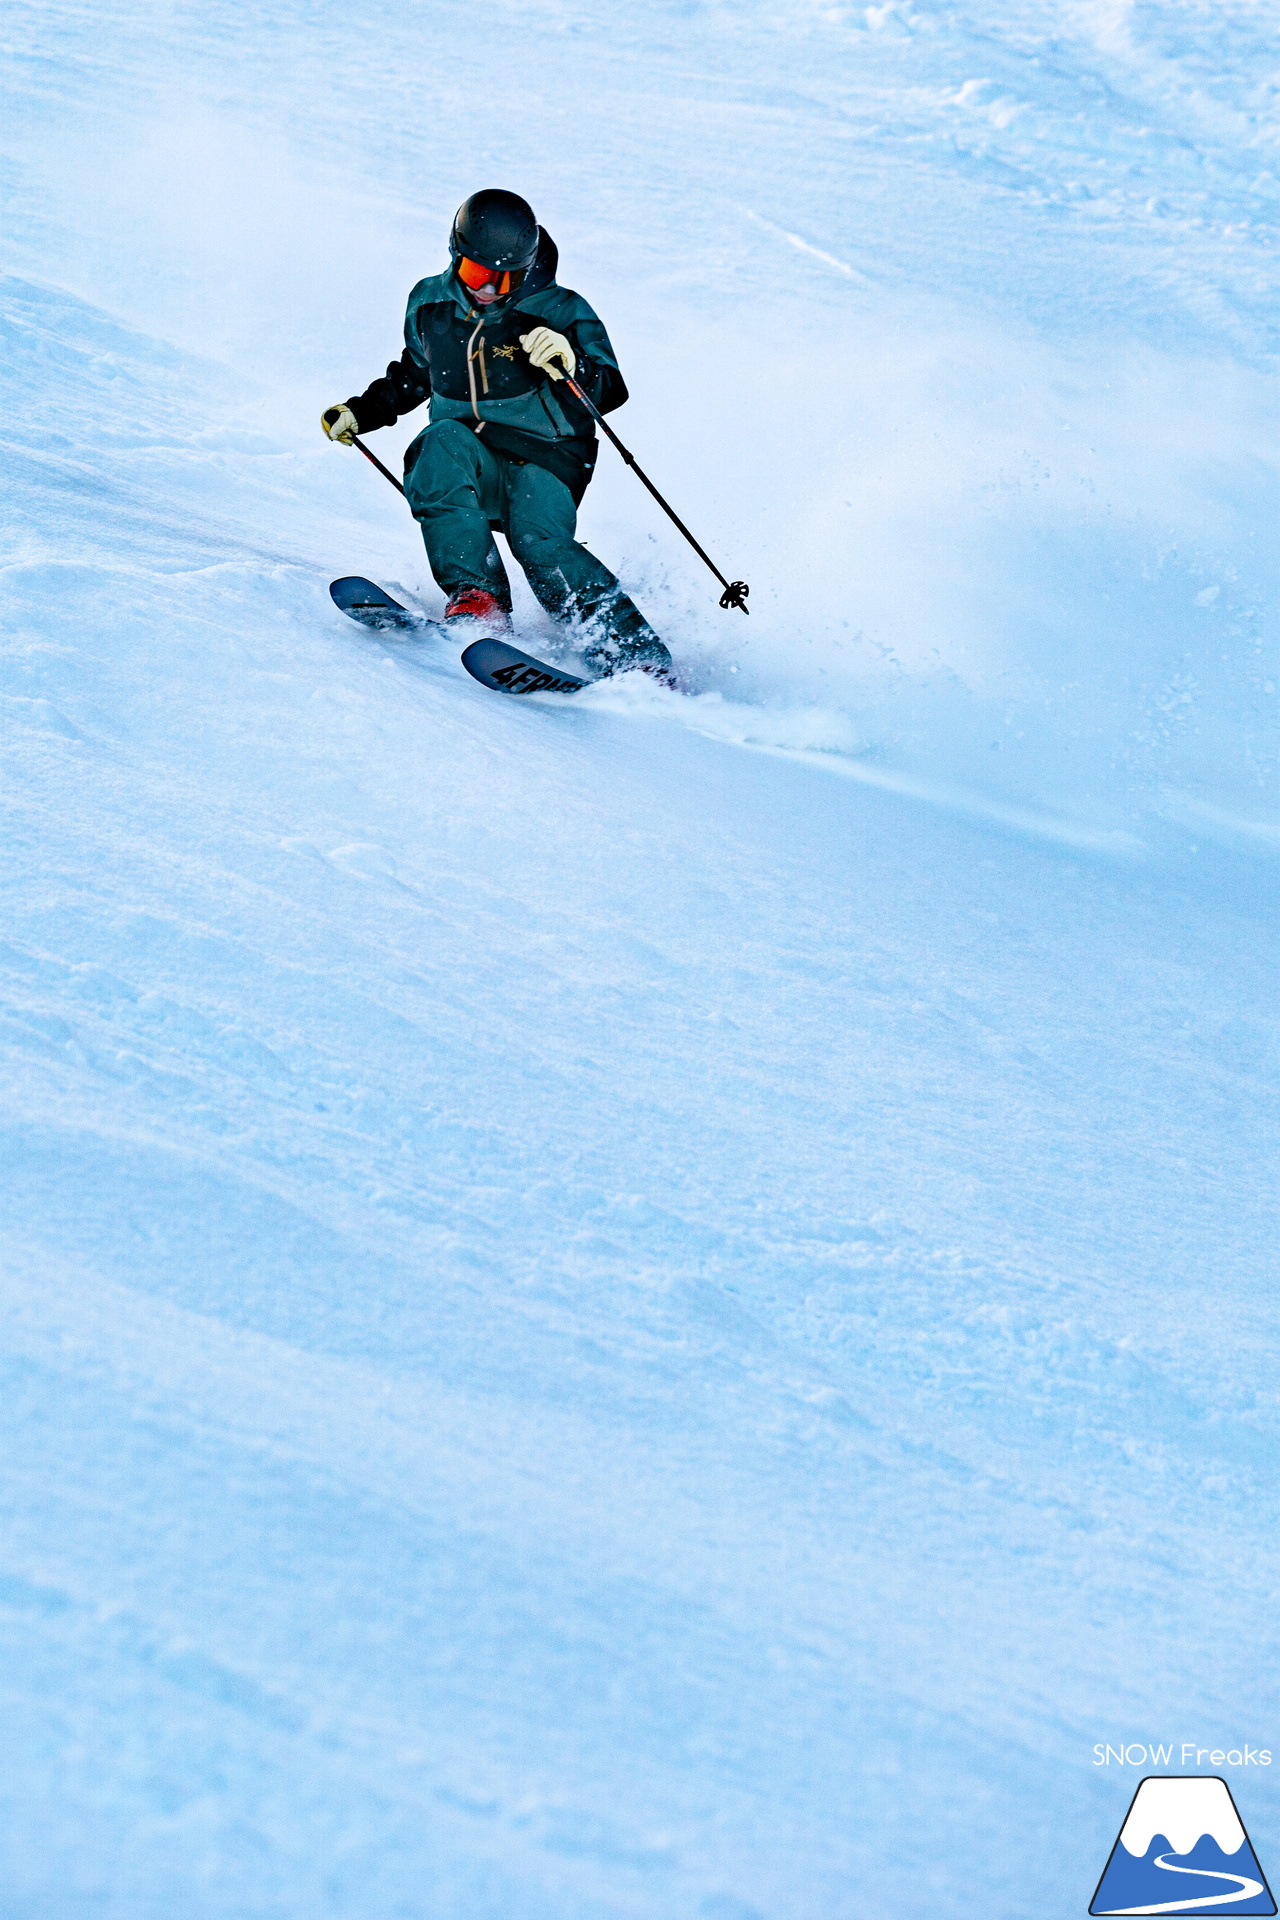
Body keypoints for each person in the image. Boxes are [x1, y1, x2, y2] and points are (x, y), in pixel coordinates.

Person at [322, 189, 671, 679]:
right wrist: (362, 412)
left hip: (546, 456)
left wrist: (572, 362)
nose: (488, 289)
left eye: (504, 278)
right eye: (476, 273)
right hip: (469, 453)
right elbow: (416, 373)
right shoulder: (429, 303)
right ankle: (478, 597)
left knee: (538, 542)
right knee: (437, 443)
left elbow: (610, 389)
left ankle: (629, 653)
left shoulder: (560, 310)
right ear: (456, 255)